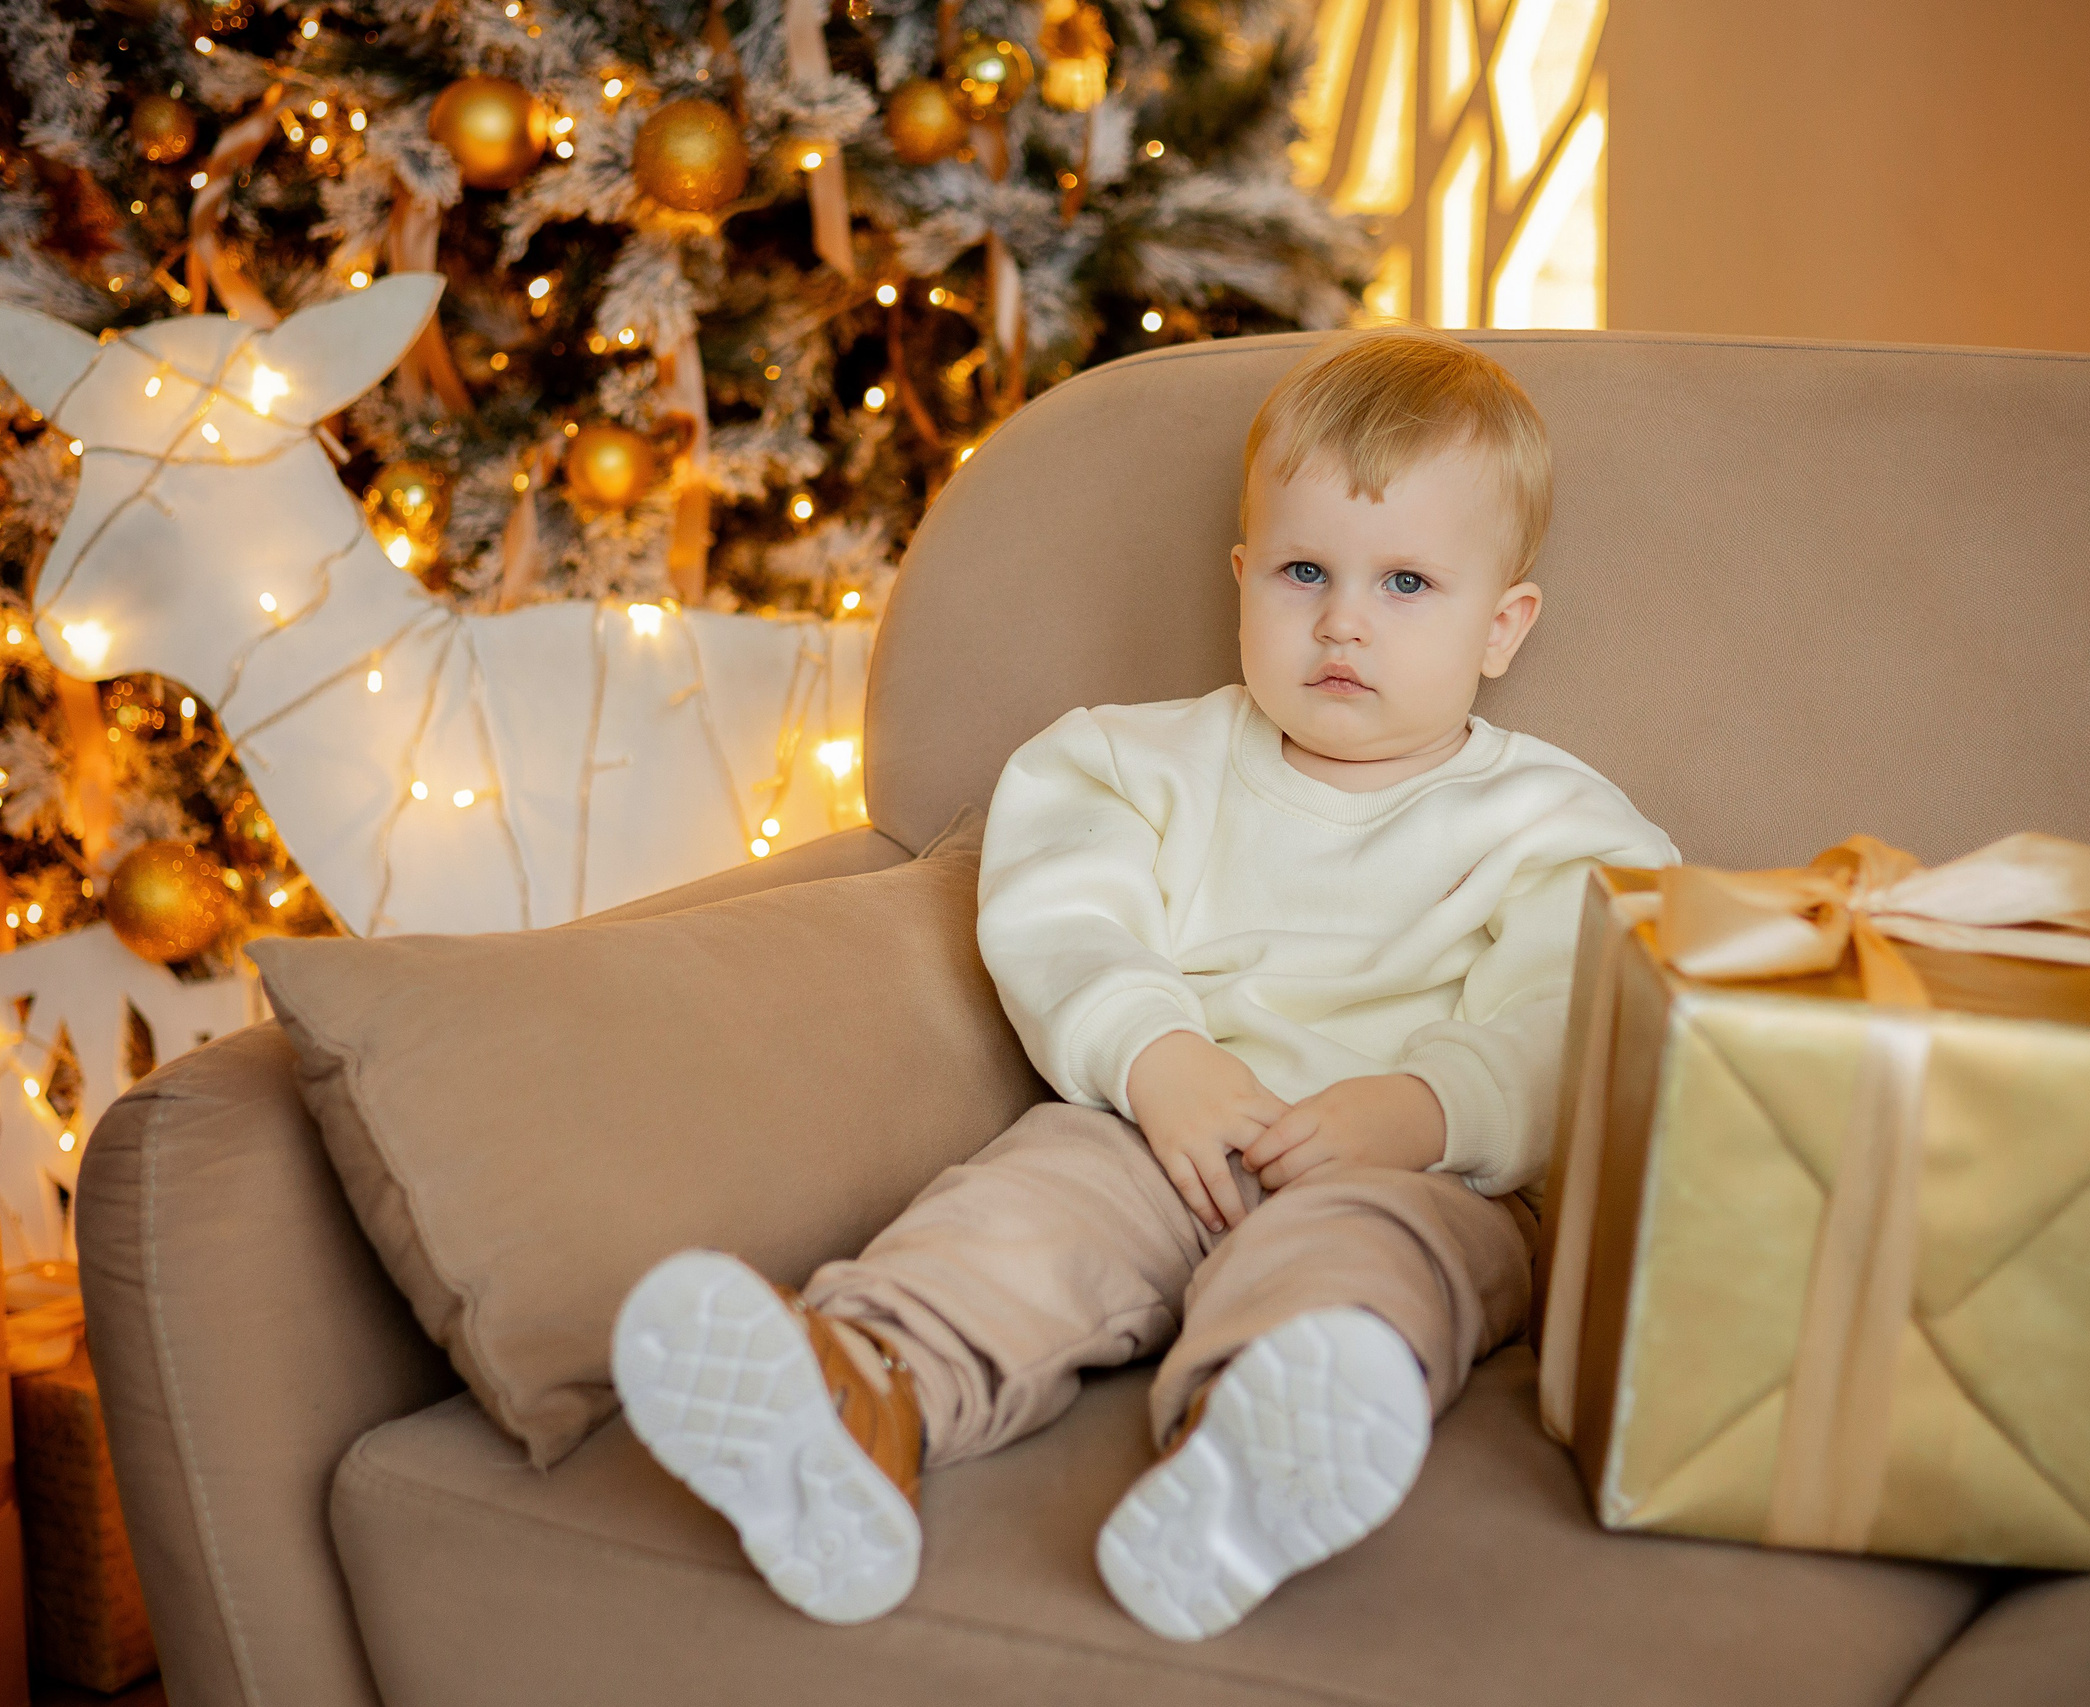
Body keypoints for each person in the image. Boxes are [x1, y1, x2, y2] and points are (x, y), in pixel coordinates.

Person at [610, 325, 1677, 1640]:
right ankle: (856, 1394)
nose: (1342, 619)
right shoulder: (1129, 764)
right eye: (1303, 571)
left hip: (1417, 1172)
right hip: (1156, 1131)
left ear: (1502, 626)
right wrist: (1159, 1059)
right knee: (1027, 1205)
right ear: (1243, 579)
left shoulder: (1558, 826)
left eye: (1406, 583)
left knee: (1370, 1267)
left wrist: (1424, 1109)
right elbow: (1065, 916)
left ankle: (1249, 1457)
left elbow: (1576, 1010)